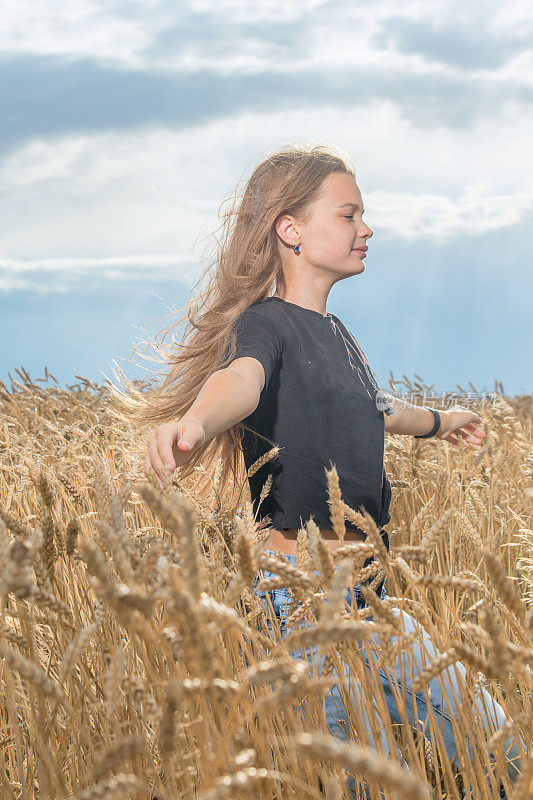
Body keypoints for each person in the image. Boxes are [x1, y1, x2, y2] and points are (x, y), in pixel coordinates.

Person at [127, 145, 522, 797]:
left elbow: (377, 409)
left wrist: (446, 419)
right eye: (348, 214)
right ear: (291, 230)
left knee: (504, 755)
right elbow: (241, 382)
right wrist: (195, 424)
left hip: (376, 604)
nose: (365, 229)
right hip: (306, 608)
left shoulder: (337, 334)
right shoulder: (264, 326)